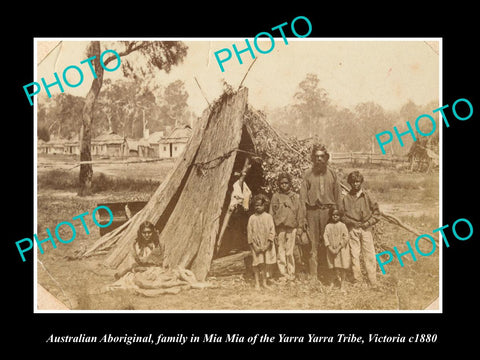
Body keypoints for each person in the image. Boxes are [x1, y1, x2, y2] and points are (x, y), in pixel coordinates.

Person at [299, 144, 342, 281]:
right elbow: (302, 198)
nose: (319, 159)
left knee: (329, 241)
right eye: (316, 156)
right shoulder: (307, 175)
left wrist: (339, 216)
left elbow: (338, 196)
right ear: (313, 158)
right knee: (313, 243)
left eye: (322, 156)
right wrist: (303, 219)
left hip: (329, 213)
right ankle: (313, 275)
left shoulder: (332, 174)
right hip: (312, 213)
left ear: (326, 158)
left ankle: (329, 274)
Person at [340, 170, 381, 287]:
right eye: (353, 182)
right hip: (353, 229)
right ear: (350, 183)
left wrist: (368, 223)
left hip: (366, 229)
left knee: (369, 254)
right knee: (354, 254)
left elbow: (377, 214)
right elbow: (342, 216)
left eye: (358, 181)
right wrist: (351, 222)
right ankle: (358, 279)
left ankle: (373, 280)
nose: (355, 184)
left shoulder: (367, 196)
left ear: (361, 182)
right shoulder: (346, 198)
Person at [269, 173, 302, 281]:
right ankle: (283, 274)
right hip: (280, 228)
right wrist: (272, 229)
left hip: (291, 227)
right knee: (281, 251)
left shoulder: (294, 197)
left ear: (290, 184)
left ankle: (291, 273)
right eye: (282, 183)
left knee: (290, 251)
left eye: (286, 183)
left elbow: (299, 212)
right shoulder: (275, 196)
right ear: (279, 184)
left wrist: (300, 226)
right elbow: (271, 213)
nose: (284, 185)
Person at [247, 194, 276, 290]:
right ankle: (257, 283)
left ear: (265, 206)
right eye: (256, 205)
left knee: (265, 264)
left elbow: (272, 231)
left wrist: (267, 244)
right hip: (256, 246)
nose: (258, 207)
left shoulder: (268, 217)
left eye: (260, 205)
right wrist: (254, 246)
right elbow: (249, 234)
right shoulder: (252, 218)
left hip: (266, 245)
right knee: (256, 264)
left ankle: (264, 282)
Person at [323, 207, 350, 290]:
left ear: (340, 216)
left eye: (337, 215)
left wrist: (339, 247)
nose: (335, 217)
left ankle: (342, 284)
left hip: (341, 250)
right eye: (333, 215)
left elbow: (346, 237)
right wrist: (329, 247)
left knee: (342, 266)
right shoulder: (328, 226)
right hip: (331, 250)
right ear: (330, 215)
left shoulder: (342, 225)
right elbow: (325, 236)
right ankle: (332, 282)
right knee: (333, 267)